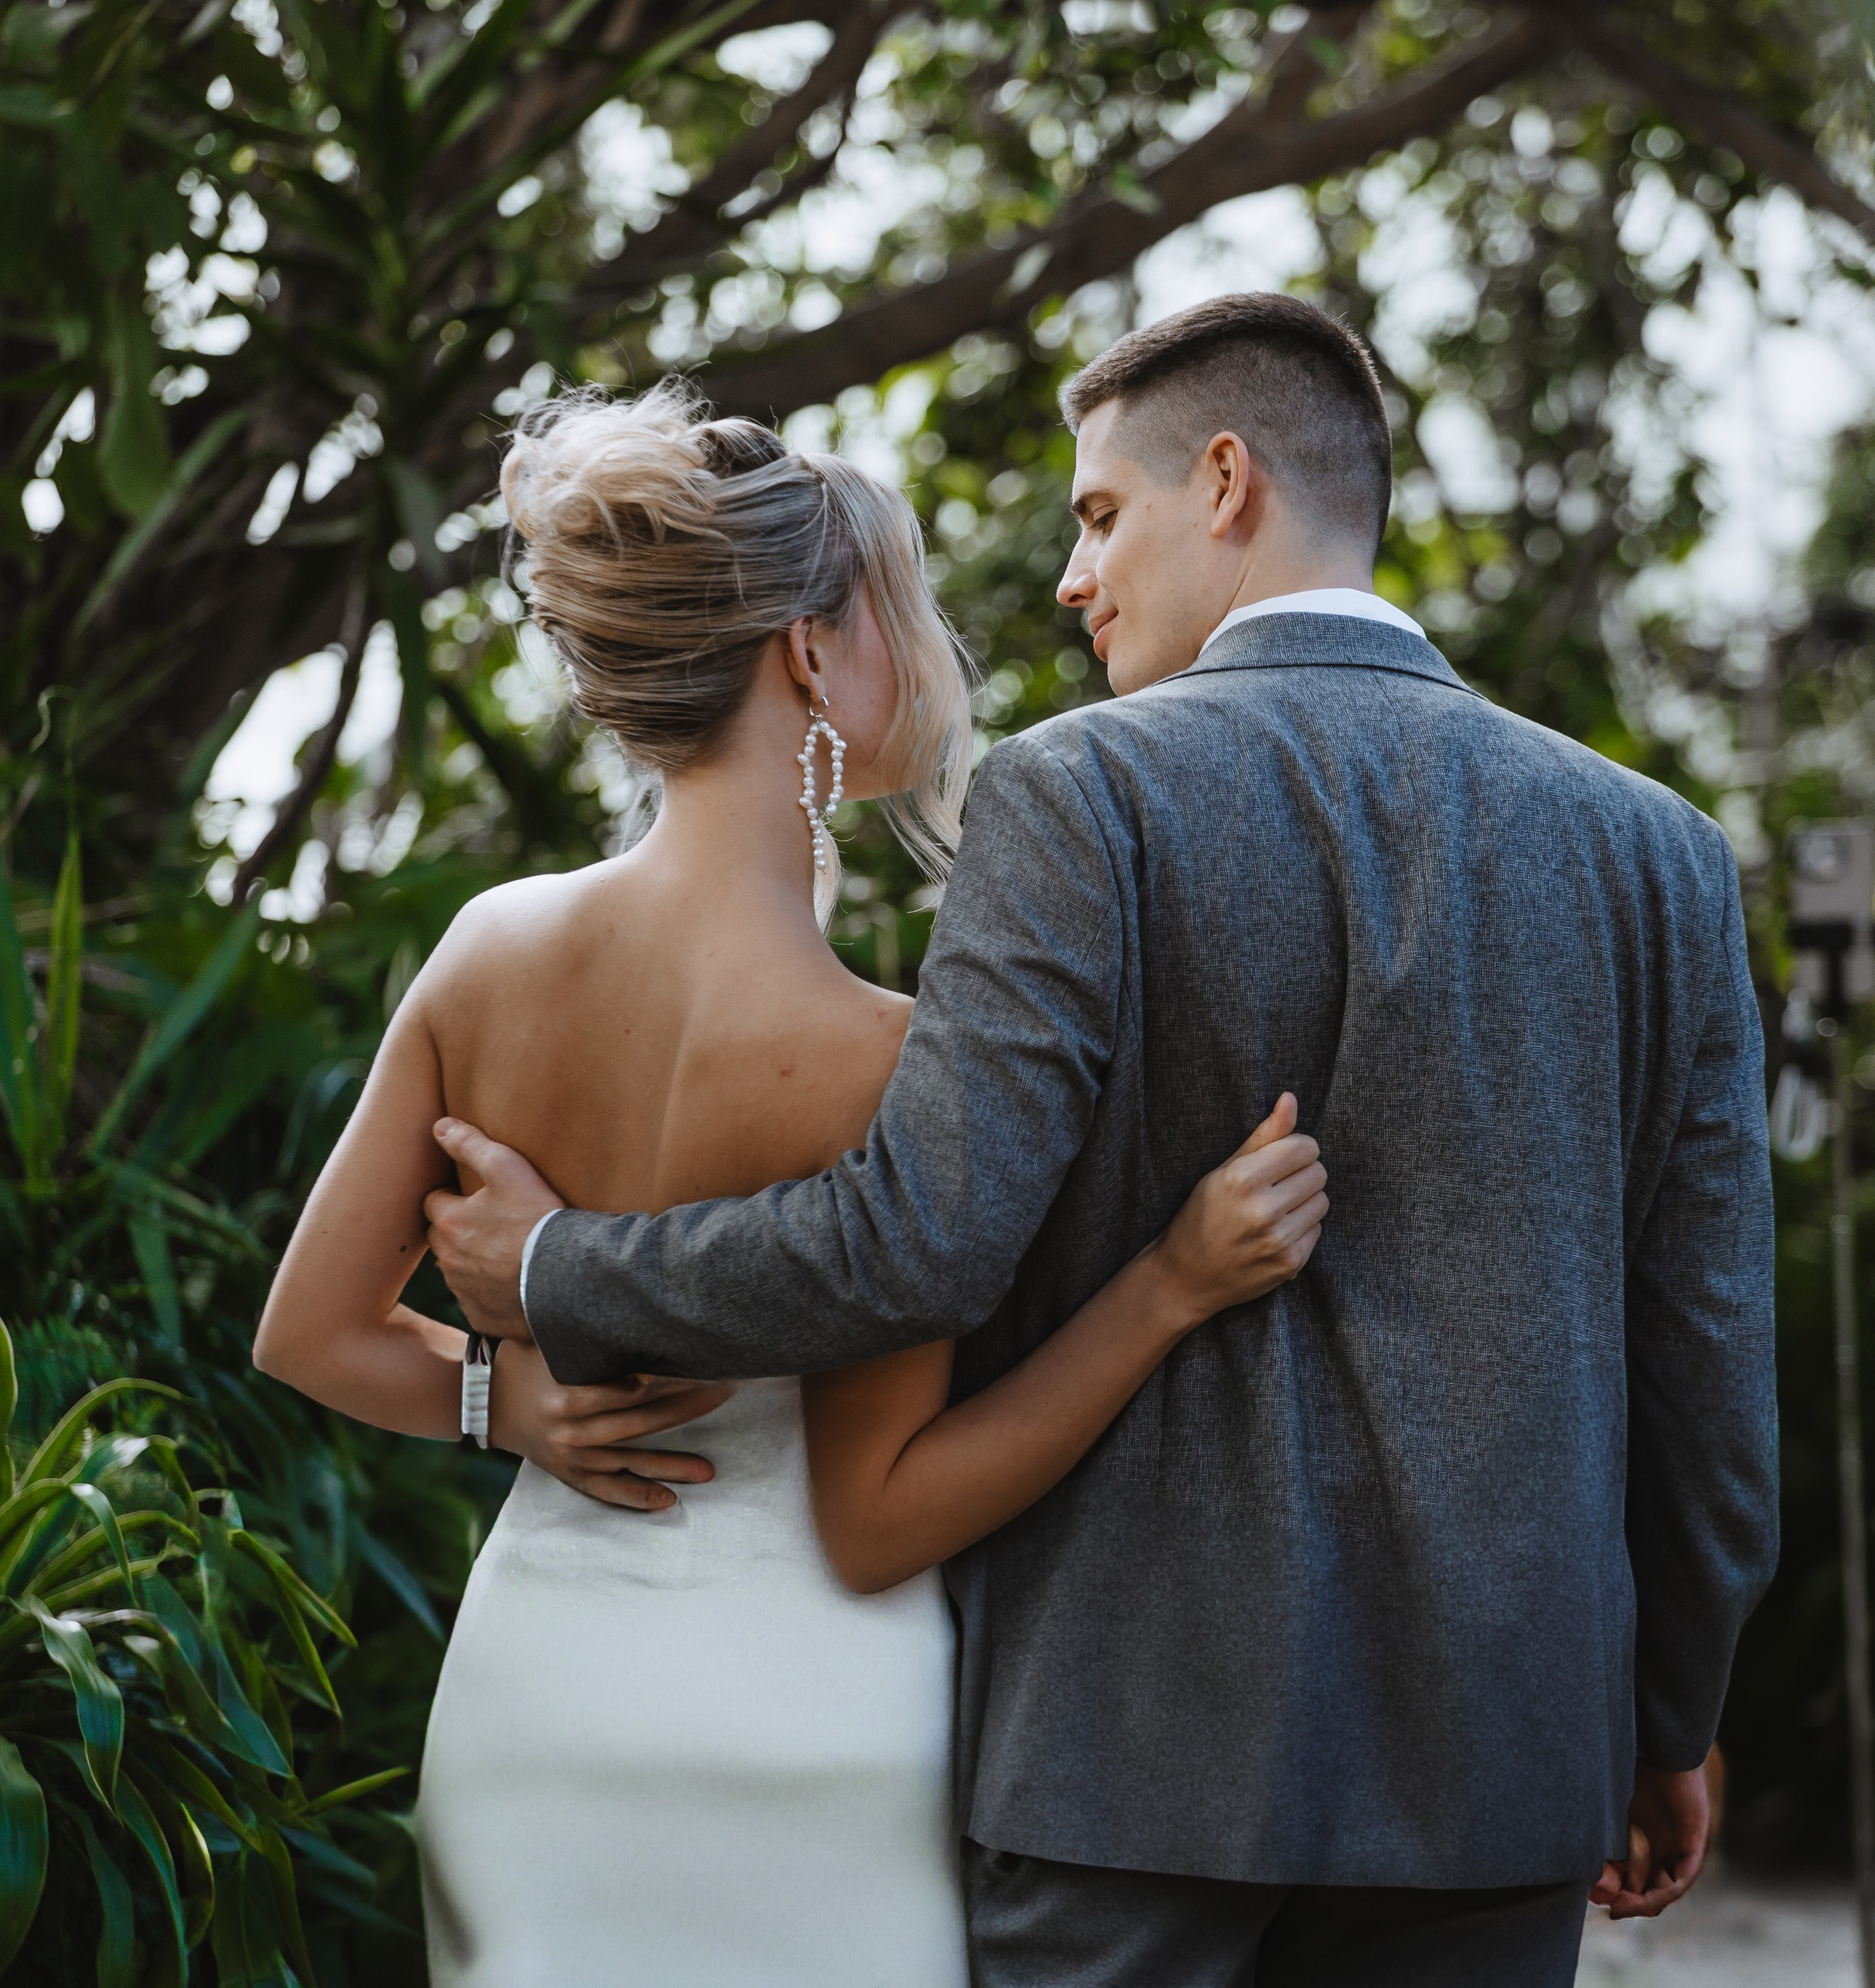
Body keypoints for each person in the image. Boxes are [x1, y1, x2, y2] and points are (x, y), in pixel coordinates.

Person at [427, 293, 1780, 1988]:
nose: (1072, 577)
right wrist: (1668, 1713)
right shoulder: (1655, 855)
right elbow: (1710, 1355)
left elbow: (918, 1237)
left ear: (1223, 481)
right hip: (1501, 1754)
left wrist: (561, 1265)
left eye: (1097, 513)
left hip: (1122, 1760)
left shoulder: (1076, 796)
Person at [252, 383, 1330, 1988]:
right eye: (893, 607)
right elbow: (879, 1515)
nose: (927, 650)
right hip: (802, 1723)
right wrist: (1170, 1282)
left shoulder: (489, 953)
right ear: (807, 652)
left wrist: (509, 1406)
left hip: (536, 1703)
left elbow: (310, 1332)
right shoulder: (884, 1051)